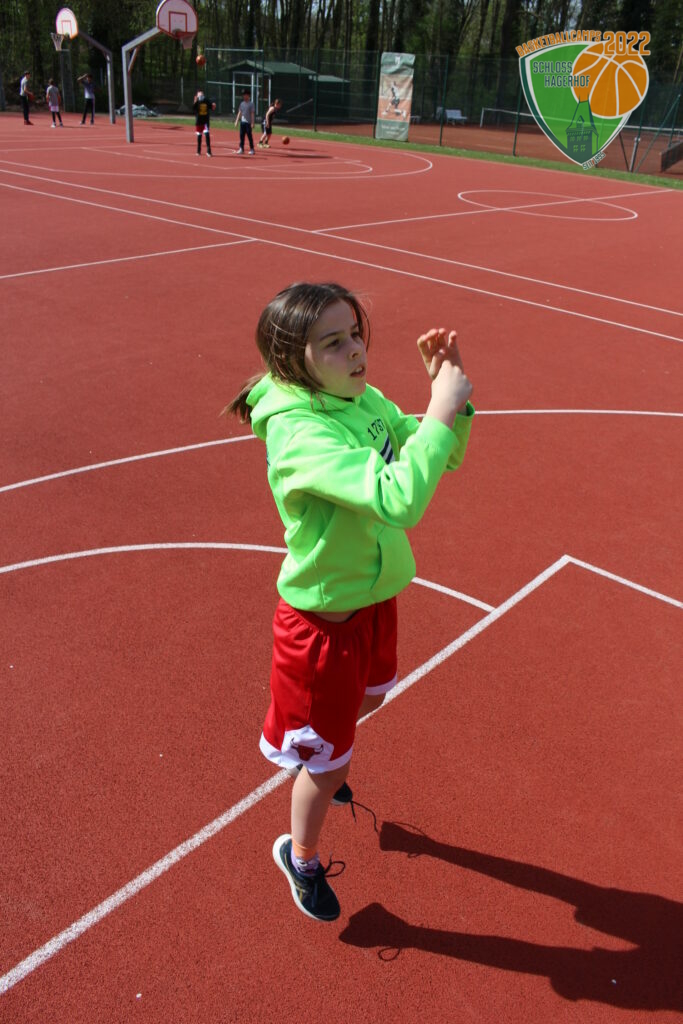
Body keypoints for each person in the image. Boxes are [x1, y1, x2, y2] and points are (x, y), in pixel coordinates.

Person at [225, 282, 475, 922]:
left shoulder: (362, 399)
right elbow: (399, 499)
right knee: (328, 766)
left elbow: (435, 458)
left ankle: (323, 753)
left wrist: (450, 410)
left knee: (372, 697)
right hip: (321, 631)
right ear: (294, 361)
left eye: (356, 333)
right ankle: (300, 856)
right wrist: (441, 409)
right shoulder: (299, 435)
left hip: (371, 603)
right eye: (333, 342)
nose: (355, 350)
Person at [193, 91, 216, 157]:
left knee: (207, 134)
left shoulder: (206, 101)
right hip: (199, 121)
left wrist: (214, 106)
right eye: (199, 96)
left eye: (202, 95)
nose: (201, 97)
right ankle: (198, 151)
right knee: (199, 136)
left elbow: (212, 107)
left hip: (205, 121)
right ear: (197, 96)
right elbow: (193, 108)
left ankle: (209, 151)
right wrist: (195, 101)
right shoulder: (197, 102)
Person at [235, 89, 255, 154]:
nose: (244, 96)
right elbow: (239, 112)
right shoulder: (242, 103)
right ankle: (241, 148)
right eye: (243, 95)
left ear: (248, 96)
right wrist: (237, 121)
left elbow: (252, 114)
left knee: (249, 136)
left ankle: (252, 149)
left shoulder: (251, 104)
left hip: (248, 123)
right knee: (241, 136)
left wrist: (252, 123)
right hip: (242, 122)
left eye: (245, 95)